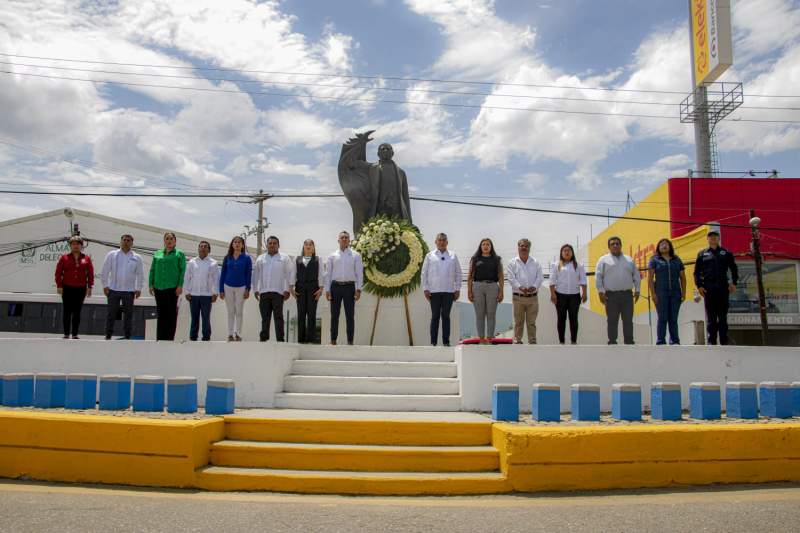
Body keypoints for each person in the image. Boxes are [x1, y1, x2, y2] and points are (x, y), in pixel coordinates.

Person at [693, 230, 738, 345]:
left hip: (723, 288)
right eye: (710, 237)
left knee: (722, 316)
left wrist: (734, 283)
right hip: (709, 288)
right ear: (707, 239)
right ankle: (711, 341)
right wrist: (699, 286)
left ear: (719, 238)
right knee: (711, 317)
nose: (713, 238)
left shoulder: (726, 252)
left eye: (715, 236)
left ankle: (724, 341)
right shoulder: (702, 254)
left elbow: (734, 268)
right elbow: (697, 272)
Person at [596, 236, 641, 345]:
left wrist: (638, 290)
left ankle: (629, 341)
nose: (615, 245)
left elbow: (636, 275)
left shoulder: (629, 259)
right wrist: (600, 292)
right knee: (612, 320)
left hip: (627, 295)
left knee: (628, 320)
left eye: (617, 243)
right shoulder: (603, 260)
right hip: (611, 296)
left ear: (621, 245)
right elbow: (598, 276)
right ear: (609, 247)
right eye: (612, 244)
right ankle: (612, 342)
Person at [100, 234, 144, 340]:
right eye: (124, 240)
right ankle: (108, 335)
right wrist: (105, 285)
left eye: (128, 240)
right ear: (120, 241)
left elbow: (140, 274)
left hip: (129, 291)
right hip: (114, 289)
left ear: (132, 243)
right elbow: (105, 270)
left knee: (128, 314)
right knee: (111, 314)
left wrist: (138, 288)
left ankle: (127, 335)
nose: (126, 242)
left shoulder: (136, 257)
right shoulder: (112, 254)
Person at [421, 233, 462, 346]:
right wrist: (425, 289)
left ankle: (446, 342)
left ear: (447, 242)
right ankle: (433, 342)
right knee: (435, 316)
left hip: (449, 291)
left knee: (446, 316)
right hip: (433, 291)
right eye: (439, 240)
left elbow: (458, 273)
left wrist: (457, 288)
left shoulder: (453, 256)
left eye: (444, 240)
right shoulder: (429, 256)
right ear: (436, 242)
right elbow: (424, 273)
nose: (442, 242)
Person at [324, 230, 363, 346]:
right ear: (338, 240)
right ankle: (333, 340)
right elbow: (328, 274)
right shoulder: (332, 256)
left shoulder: (356, 255)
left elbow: (359, 273)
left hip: (350, 287)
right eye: (342, 237)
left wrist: (359, 289)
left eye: (346, 237)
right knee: (334, 315)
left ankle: (350, 341)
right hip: (335, 287)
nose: (344, 239)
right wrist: (327, 290)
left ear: (349, 240)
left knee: (350, 315)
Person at [253, 236, 294, 342]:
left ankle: (280, 339)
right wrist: (255, 290)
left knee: (278, 317)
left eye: (274, 243)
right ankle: (264, 338)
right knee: (265, 318)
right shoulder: (260, 258)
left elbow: (289, 274)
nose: (272, 245)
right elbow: (256, 275)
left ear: (278, 245)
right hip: (264, 292)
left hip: (279, 292)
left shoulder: (284, 258)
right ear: (267, 245)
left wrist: (287, 290)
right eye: (270, 243)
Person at [148, 232, 187, 341]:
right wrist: (151, 284)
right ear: (164, 241)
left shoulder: (179, 254)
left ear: (175, 241)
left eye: (171, 239)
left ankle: (169, 338)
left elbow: (182, 270)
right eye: (167, 238)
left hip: (172, 288)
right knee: (161, 313)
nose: (169, 241)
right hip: (159, 287)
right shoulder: (157, 254)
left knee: (171, 313)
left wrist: (180, 285)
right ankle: (160, 337)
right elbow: (152, 269)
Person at [54, 236, 94, 339]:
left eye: (78, 244)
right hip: (67, 287)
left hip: (81, 288)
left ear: (81, 246)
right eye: (73, 244)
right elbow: (58, 272)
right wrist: (59, 285)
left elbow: (90, 273)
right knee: (67, 311)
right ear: (70, 246)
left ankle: (75, 334)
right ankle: (66, 333)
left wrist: (90, 286)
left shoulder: (86, 258)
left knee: (77, 311)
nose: (75, 246)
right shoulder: (64, 258)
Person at [648, 239, 686, 345]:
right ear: (658, 247)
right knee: (662, 317)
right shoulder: (654, 260)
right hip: (660, 293)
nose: (664, 246)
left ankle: (674, 341)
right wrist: (653, 294)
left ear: (670, 247)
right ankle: (661, 341)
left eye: (666, 244)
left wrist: (684, 293)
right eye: (661, 244)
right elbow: (650, 278)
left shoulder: (677, 260)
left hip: (675, 293)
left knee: (673, 318)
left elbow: (683, 277)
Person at [506, 238, 543, 344]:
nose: (524, 248)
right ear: (518, 247)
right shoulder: (512, 263)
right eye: (521, 245)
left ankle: (532, 341)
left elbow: (540, 277)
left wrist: (534, 286)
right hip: (518, 297)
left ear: (529, 248)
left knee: (531, 322)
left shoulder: (535, 262)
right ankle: (518, 341)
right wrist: (520, 287)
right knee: (518, 322)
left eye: (526, 246)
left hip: (533, 297)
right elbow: (511, 278)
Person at [549, 244, 587, 345]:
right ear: (561, 253)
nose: (566, 252)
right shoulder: (556, 264)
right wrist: (553, 294)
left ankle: (574, 341)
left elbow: (583, 280)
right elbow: (552, 281)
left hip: (575, 296)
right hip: (560, 296)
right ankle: (561, 341)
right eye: (564, 250)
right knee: (561, 318)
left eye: (568, 250)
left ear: (572, 252)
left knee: (573, 318)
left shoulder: (578, 265)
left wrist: (585, 293)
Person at [467, 238, 504, 344]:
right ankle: (482, 338)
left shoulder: (497, 259)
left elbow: (501, 276)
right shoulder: (475, 259)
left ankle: (490, 338)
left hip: (492, 287)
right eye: (483, 244)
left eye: (488, 244)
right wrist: (469, 291)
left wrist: (501, 291)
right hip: (477, 287)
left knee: (491, 314)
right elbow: (470, 276)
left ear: (491, 247)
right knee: (480, 314)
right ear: (480, 246)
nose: (486, 246)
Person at [183, 241, 219, 342]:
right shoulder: (191, 262)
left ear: (209, 250)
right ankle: (193, 337)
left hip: (207, 295)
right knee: (194, 318)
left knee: (206, 318)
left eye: (205, 247)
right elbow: (187, 278)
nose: (203, 248)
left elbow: (216, 279)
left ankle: (206, 338)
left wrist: (215, 293)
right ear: (198, 249)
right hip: (193, 295)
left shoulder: (213, 263)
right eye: (201, 246)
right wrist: (187, 292)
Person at [219, 236, 252, 342]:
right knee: (230, 311)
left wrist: (248, 288)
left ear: (242, 245)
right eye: (235, 242)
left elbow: (248, 274)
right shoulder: (227, 257)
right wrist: (221, 290)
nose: (237, 244)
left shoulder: (247, 258)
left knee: (239, 311)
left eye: (239, 242)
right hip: (227, 286)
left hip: (241, 287)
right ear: (232, 244)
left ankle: (238, 333)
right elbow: (222, 274)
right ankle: (230, 334)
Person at [291, 239, 323, 344]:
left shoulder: (318, 259)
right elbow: (293, 274)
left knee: (311, 314)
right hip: (300, 288)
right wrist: (291, 288)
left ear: (313, 247)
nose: (308, 246)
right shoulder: (297, 259)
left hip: (313, 289)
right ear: (303, 247)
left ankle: (311, 339)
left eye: (310, 244)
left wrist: (321, 289)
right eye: (306, 244)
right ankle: (301, 340)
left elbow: (320, 274)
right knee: (301, 314)